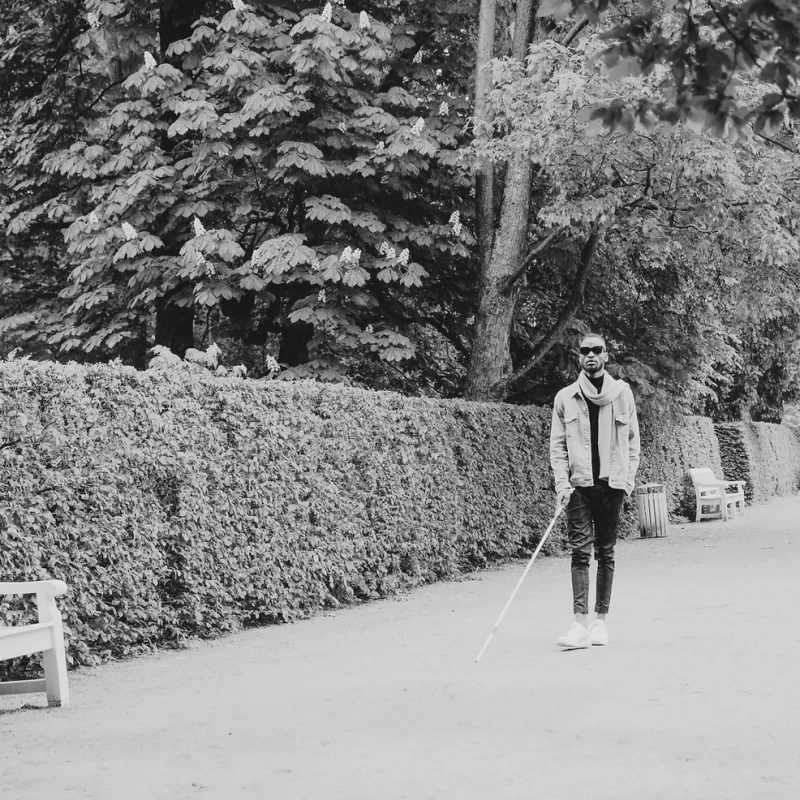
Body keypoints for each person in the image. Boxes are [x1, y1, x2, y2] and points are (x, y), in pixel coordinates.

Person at [549, 334, 640, 649]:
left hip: (612, 485)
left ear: (605, 355)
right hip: (579, 487)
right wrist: (563, 484)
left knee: (606, 552)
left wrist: (626, 483)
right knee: (579, 552)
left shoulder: (622, 394)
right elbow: (558, 447)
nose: (591, 355)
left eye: (596, 350)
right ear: (579, 357)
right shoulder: (565, 397)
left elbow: (633, 442)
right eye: (585, 350)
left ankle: (600, 622)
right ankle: (579, 625)